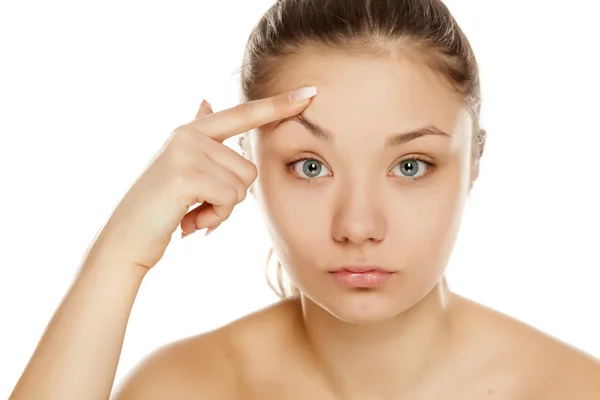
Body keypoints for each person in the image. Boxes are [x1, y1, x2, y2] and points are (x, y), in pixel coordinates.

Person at [9, 0, 600, 399]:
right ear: (248, 161)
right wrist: (118, 256)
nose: (358, 225)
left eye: (411, 165)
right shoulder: (186, 387)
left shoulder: (572, 388)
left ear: (473, 164)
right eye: (311, 166)